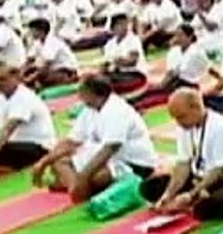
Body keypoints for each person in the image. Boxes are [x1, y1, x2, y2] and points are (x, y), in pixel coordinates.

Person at [30, 76, 159, 202]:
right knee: (58, 162)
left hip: (132, 164)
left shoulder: (117, 110)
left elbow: (110, 148)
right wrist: (43, 162)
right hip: (108, 160)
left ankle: (75, 186)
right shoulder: (89, 109)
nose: (79, 95)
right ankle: (77, 187)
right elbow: (71, 142)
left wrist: (83, 176)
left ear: (92, 93)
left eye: (82, 92)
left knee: (97, 177)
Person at [139, 88, 223, 221]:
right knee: (150, 187)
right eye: (175, 118)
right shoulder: (184, 128)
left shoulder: (221, 127)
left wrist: (191, 195)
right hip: (197, 177)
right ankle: (192, 199)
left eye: (181, 117)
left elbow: (220, 170)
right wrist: (168, 194)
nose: (178, 122)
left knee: (208, 208)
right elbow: (183, 164)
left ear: (196, 107)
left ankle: (196, 200)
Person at [0, 63, 56, 172]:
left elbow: (7, 130)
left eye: (2, 79)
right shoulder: (0, 98)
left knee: (1, 148)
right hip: (14, 144)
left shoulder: (23, 97)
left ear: (15, 78)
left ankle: (2, 164)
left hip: (38, 147)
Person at [130, 24, 210, 111]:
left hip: (188, 85)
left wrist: (162, 85)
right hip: (174, 82)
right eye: (177, 35)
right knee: (148, 92)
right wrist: (161, 84)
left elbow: (174, 73)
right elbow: (170, 72)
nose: (178, 38)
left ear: (190, 37)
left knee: (156, 98)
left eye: (181, 35)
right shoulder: (174, 51)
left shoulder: (196, 52)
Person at [21, 17, 80, 91]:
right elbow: (29, 61)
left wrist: (30, 79)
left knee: (44, 76)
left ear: (41, 31)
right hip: (52, 69)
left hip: (66, 71)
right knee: (30, 70)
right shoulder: (37, 42)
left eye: (33, 30)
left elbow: (46, 66)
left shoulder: (52, 41)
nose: (31, 33)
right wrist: (20, 74)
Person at [98, 13, 150, 95]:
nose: (125, 27)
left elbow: (132, 61)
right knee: (98, 81)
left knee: (107, 85)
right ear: (113, 28)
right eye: (120, 24)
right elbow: (105, 64)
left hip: (135, 74)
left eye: (126, 24)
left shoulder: (133, 40)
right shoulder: (110, 44)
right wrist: (102, 72)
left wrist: (116, 62)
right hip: (118, 73)